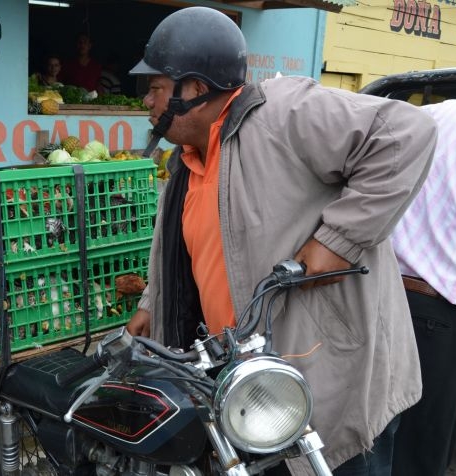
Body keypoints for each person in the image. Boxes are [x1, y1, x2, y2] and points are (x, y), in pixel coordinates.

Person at [125, 7, 436, 475]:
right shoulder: (187, 164)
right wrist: (153, 301)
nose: (146, 101)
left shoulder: (283, 112)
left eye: (154, 88)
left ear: (196, 88)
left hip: (335, 393)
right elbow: (186, 255)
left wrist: (338, 239)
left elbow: (405, 133)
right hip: (261, 398)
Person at [390, 99, 456, 476]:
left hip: (379, 297)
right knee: (419, 459)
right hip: (439, 320)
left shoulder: (434, 114)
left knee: (366, 448)